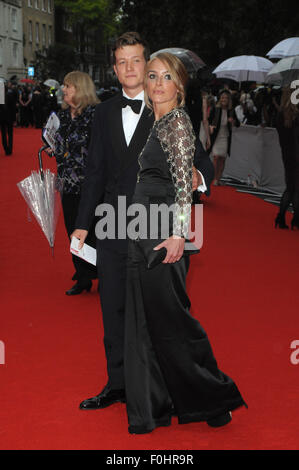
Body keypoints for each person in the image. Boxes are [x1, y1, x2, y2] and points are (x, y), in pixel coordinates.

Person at [72, 32, 213, 411]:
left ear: (147, 63)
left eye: (137, 60)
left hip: (157, 225)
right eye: (122, 62)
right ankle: (118, 384)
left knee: (161, 314)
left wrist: (195, 180)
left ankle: (168, 386)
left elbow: (202, 164)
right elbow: (95, 172)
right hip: (112, 224)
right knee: (113, 308)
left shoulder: (164, 104)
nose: (130, 68)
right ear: (114, 69)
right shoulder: (101, 113)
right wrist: (83, 223)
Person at [123, 52, 247, 435]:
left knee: (172, 320)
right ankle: (150, 408)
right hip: (142, 228)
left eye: (166, 78)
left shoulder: (176, 122)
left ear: (179, 87)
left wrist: (179, 233)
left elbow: (182, 183)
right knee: (145, 319)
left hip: (162, 229)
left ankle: (215, 398)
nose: (158, 84)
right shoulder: (156, 121)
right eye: (153, 76)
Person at [53, 71, 99, 294]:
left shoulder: (94, 115)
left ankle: (101, 271)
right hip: (67, 183)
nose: (63, 89)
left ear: (80, 89)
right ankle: (82, 277)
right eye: (64, 85)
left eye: (67, 86)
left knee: (94, 230)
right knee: (71, 229)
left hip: (90, 184)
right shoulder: (60, 116)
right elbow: (56, 145)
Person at [274, 87, 299, 230]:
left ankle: (281, 217)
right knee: (296, 189)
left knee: (290, 187)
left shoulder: (281, 115)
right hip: (296, 155)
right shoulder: (296, 116)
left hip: (286, 154)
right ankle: (295, 219)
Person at [209, 89, 239, 185]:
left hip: (225, 136)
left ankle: (218, 178)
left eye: (226, 98)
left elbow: (238, 123)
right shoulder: (215, 109)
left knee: (222, 158)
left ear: (229, 99)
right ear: (219, 99)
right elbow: (208, 120)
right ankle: (213, 178)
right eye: (222, 97)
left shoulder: (231, 111)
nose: (224, 99)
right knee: (216, 157)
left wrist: (233, 121)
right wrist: (211, 126)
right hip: (216, 137)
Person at [0, 83, 16, 156]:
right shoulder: (10, 95)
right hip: (9, 117)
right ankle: (9, 149)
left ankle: (6, 148)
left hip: (1, 118)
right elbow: (13, 108)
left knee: (3, 134)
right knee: (10, 134)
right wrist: (14, 119)